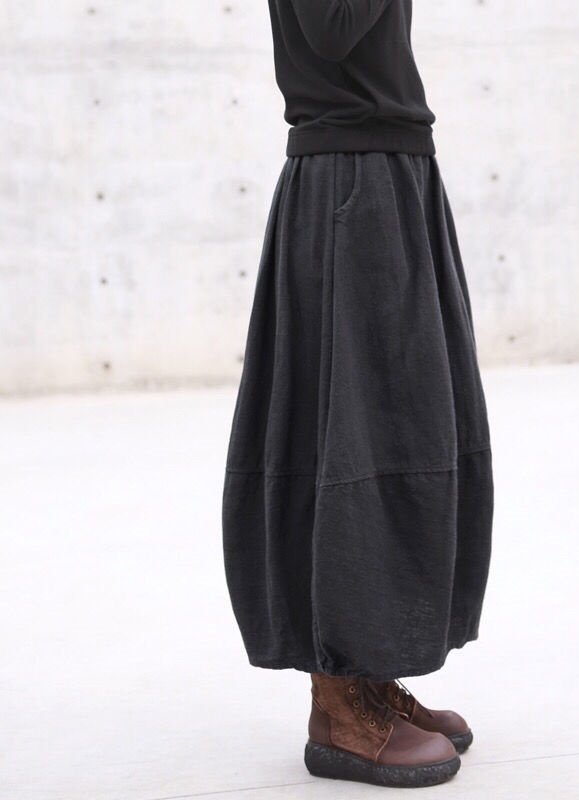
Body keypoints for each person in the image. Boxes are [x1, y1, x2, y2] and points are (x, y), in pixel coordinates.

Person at [221, 0, 494, 788]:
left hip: (394, 170)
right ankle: (338, 705)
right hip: (350, 181)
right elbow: (331, 28)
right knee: (346, 441)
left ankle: (369, 672)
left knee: (404, 434)